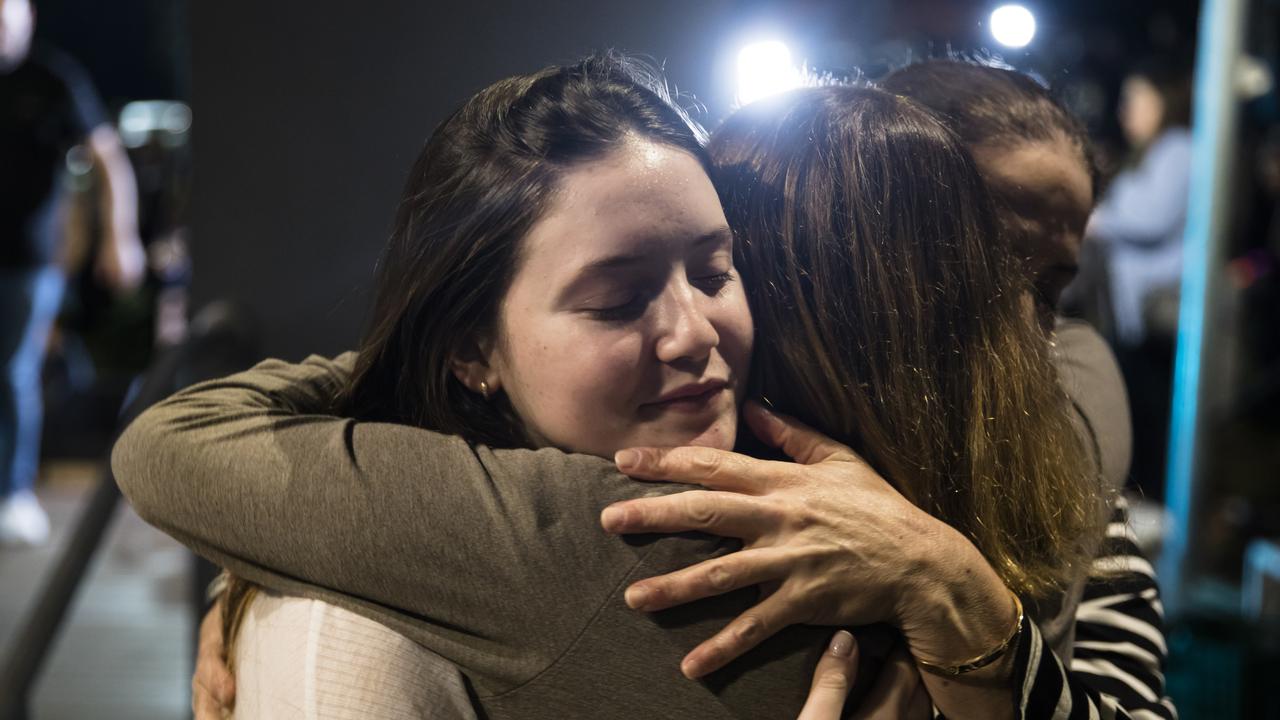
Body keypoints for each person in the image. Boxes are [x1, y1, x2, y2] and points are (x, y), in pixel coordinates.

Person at [114, 59, 1135, 719]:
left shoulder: (591, 527)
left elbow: (172, 445)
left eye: (713, 269)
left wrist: (422, 366)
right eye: (617, 299)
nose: (693, 334)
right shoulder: (1063, 448)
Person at [0, 0, 145, 545]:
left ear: (26, 17)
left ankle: (12, 492)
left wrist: (120, 236)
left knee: (13, 371)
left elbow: (108, 158)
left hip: (27, 262)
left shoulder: (53, 79)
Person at [1086, 59, 1193, 501]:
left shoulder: (1179, 149)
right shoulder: (1157, 152)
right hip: (1140, 309)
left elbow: (1149, 218)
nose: (1126, 111)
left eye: (1136, 99)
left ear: (1162, 102)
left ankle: (1156, 497)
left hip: (1159, 309)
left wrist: (1094, 219)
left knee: (1154, 409)